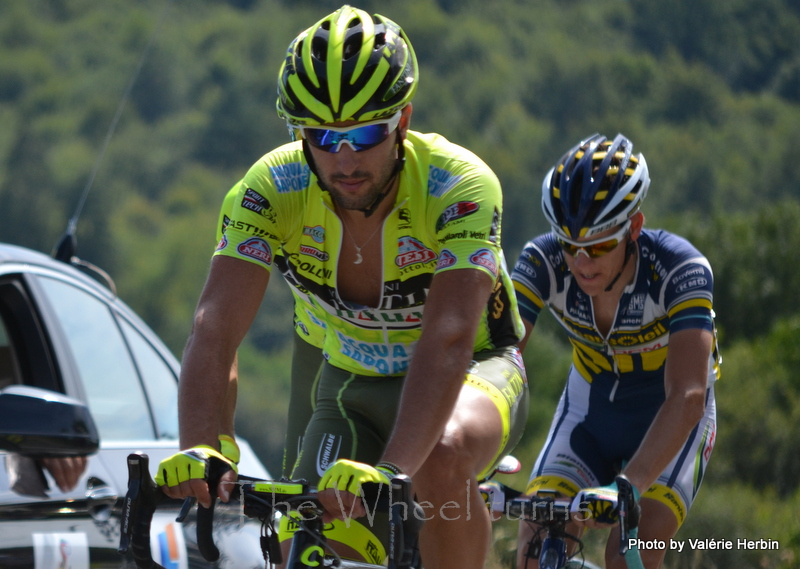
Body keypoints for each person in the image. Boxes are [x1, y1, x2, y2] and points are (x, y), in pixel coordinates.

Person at [155, 6, 528, 569]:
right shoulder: (271, 188)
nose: (345, 157)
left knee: (439, 457)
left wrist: (392, 470)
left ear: (402, 121)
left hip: (472, 369)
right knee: (298, 545)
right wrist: (202, 446)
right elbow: (215, 329)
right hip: (349, 376)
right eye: (325, 137)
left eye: (366, 133)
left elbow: (450, 339)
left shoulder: (460, 185)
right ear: (298, 133)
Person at [511, 133, 720, 569]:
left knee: (628, 554)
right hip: (589, 415)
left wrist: (629, 486)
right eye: (570, 245)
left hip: (668, 417)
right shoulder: (542, 260)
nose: (583, 262)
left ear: (635, 227)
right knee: (536, 547)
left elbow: (688, 396)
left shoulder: (680, 268)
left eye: (601, 245)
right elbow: (497, 356)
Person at [217, 184, 327, 477]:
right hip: (317, 344)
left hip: (414, 346)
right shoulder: (251, 196)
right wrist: (220, 438)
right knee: (303, 500)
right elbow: (220, 330)